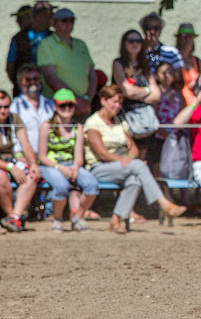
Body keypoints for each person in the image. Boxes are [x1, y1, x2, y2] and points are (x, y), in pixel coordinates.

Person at [84, 85, 186, 233]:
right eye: (114, 102)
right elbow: (102, 154)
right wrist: (123, 160)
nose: (118, 106)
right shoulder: (93, 123)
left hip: (123, 166)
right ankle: (163, 203)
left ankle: (115, 221)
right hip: (98, 168)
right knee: (138, 166)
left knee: (135, 179)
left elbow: (134, 149)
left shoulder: (120, 122)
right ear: (103, 101)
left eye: (120, 102)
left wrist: (129, 158)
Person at [37, 89, 99, 232]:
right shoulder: (46, 126)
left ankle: (77, 218)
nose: (66, 109)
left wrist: (75, 168)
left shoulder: (77, 127)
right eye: (62, 105)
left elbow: (78, 156)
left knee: (92, 185)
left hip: (71, 165)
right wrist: (59, 167)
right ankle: (57, 219)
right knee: (61, 186)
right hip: (50, 166)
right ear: (55, 106)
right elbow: (42, 157)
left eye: (70, 105)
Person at [36, 8, 97, 117]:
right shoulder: (47, 44)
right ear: (54, 24)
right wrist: (76, 100)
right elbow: (50, 77)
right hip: (60, 107)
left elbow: (92, 75)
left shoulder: (81, 44)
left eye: (71, 20)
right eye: (64, 20)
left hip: (83, 106)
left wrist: (87, 99)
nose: (68, 23)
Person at [112, 29, 161, 160]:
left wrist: (135, 93)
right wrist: (146, 91)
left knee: (143, 155)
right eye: (131, 41)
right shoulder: (119, 64)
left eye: (138, 41)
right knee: (130, 153)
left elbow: (156, 95)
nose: (135, 44)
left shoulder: (144, 66)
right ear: (124, 44)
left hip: (145, 118)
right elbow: (127, 91)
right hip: (126, 116)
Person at [0, 90, 41, 233]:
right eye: (0, 107)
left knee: (33, 174)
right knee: (1, 177)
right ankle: (12, 216)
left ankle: (14, 217)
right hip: (5, 165)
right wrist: (10, 167)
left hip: (9, 161)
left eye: (6, 107)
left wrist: (34, 163)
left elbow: (26, 144)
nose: (3, 111)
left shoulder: (13, 118)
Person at [7, 2, 53, 95]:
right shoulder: (18, 39)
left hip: (50, 90)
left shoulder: (53, 37)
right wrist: (21, 84)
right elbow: (10, 67)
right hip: (25, 91)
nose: (18, 22)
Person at [140, 11, 185, 80]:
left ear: (161, 29)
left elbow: (179, 78)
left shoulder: (172, 52)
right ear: (143, 29)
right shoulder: (136, 51)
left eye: (156, 28)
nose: (152, 32)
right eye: (148, 28)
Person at [6, 4, 34, 92]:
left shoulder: (44, 36)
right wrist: (18, 84)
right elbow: (10, 66)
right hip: (23, 88)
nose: (18, 21)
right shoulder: (16, 40)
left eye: (22, 18)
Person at [176, 23, 201, 102]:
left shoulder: (197, 61)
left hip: (195, 103)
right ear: (178, 39)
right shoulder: (174, 59)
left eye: (190, 37)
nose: (187, 39)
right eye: (184, 36)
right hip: (178, 102)